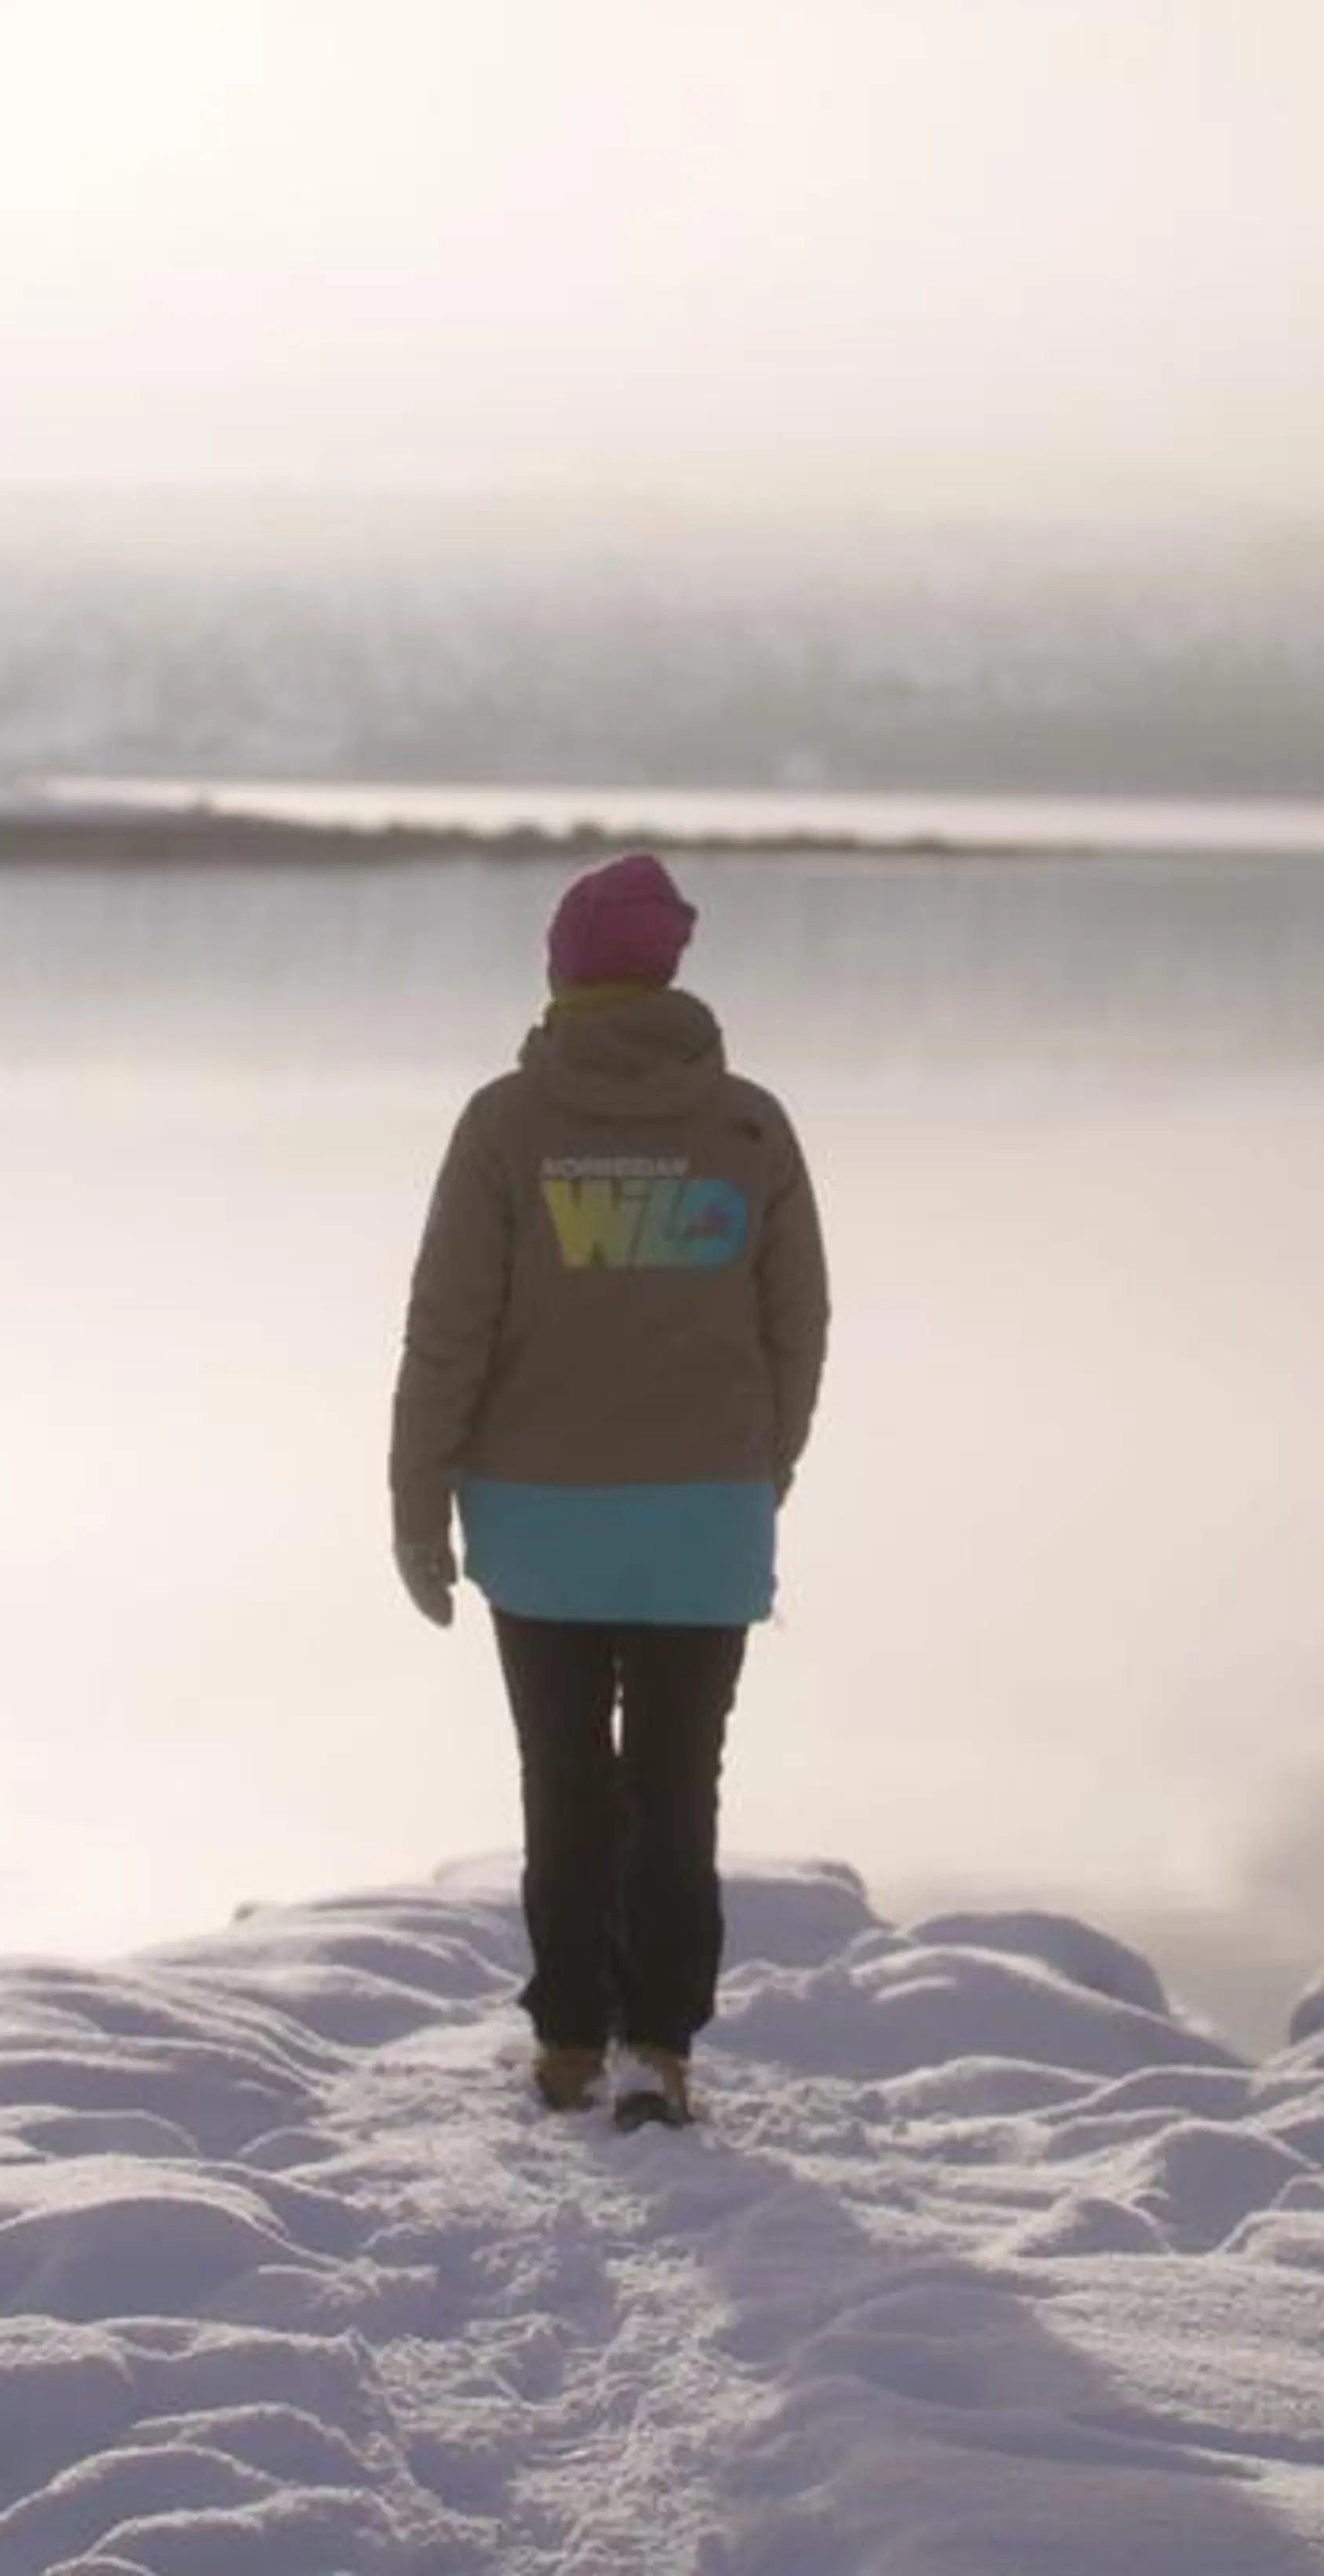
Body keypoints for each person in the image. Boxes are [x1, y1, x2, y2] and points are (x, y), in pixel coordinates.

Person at [389, 850, 830, 2124]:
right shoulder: (748, 1124)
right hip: (705, 1512)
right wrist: (759, 1475)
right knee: (679, 1784)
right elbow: (796, 1328)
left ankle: (572, 2037)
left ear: (565, 968)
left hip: (538, 1517)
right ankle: (662, 2048)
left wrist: (418, 1505)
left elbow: (447, 1333)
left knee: (566, 1779)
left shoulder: (506, 1125)